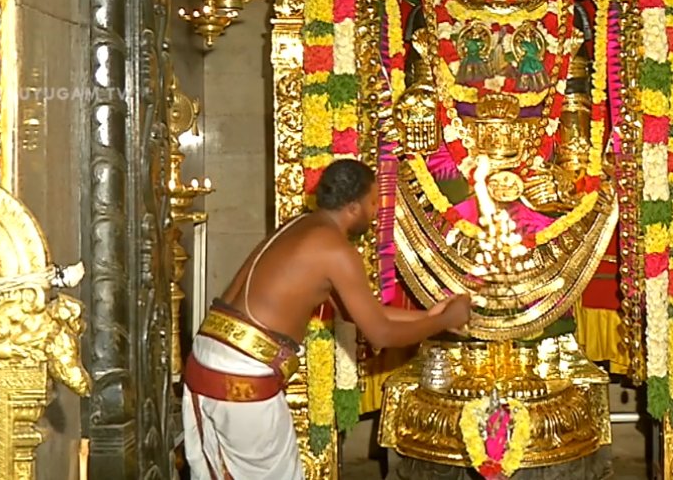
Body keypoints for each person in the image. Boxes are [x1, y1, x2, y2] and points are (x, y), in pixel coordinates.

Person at [182, 159, 472, 480]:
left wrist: (427, 314)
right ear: (352, 206)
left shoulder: (301, 226)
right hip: (242, 377)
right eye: (372, 202)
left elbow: (359, 313)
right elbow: (380, 334)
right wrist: (444, 321)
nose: (376, 212)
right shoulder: (335, 249)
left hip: (208, 361)